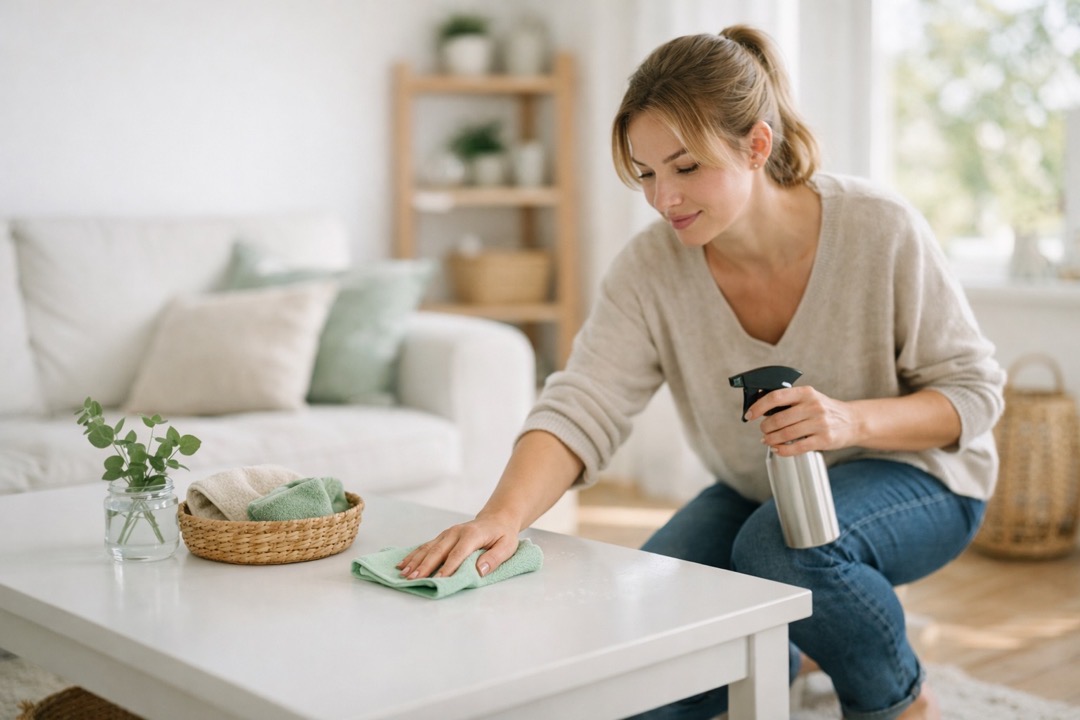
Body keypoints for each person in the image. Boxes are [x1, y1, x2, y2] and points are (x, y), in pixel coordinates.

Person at [398, 24, 1005, 720]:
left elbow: (975, 394)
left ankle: (898, 700)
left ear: (756, 145)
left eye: (685, 169)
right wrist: (499, 518)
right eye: (646, 172)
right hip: (759, 493)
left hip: (924, 480)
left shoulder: (879, 228)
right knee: (647, 655)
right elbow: (582, 404)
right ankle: (791, 646)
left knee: (779, 550)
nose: (663, 199)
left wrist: (848, 420)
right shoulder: (650, 268)